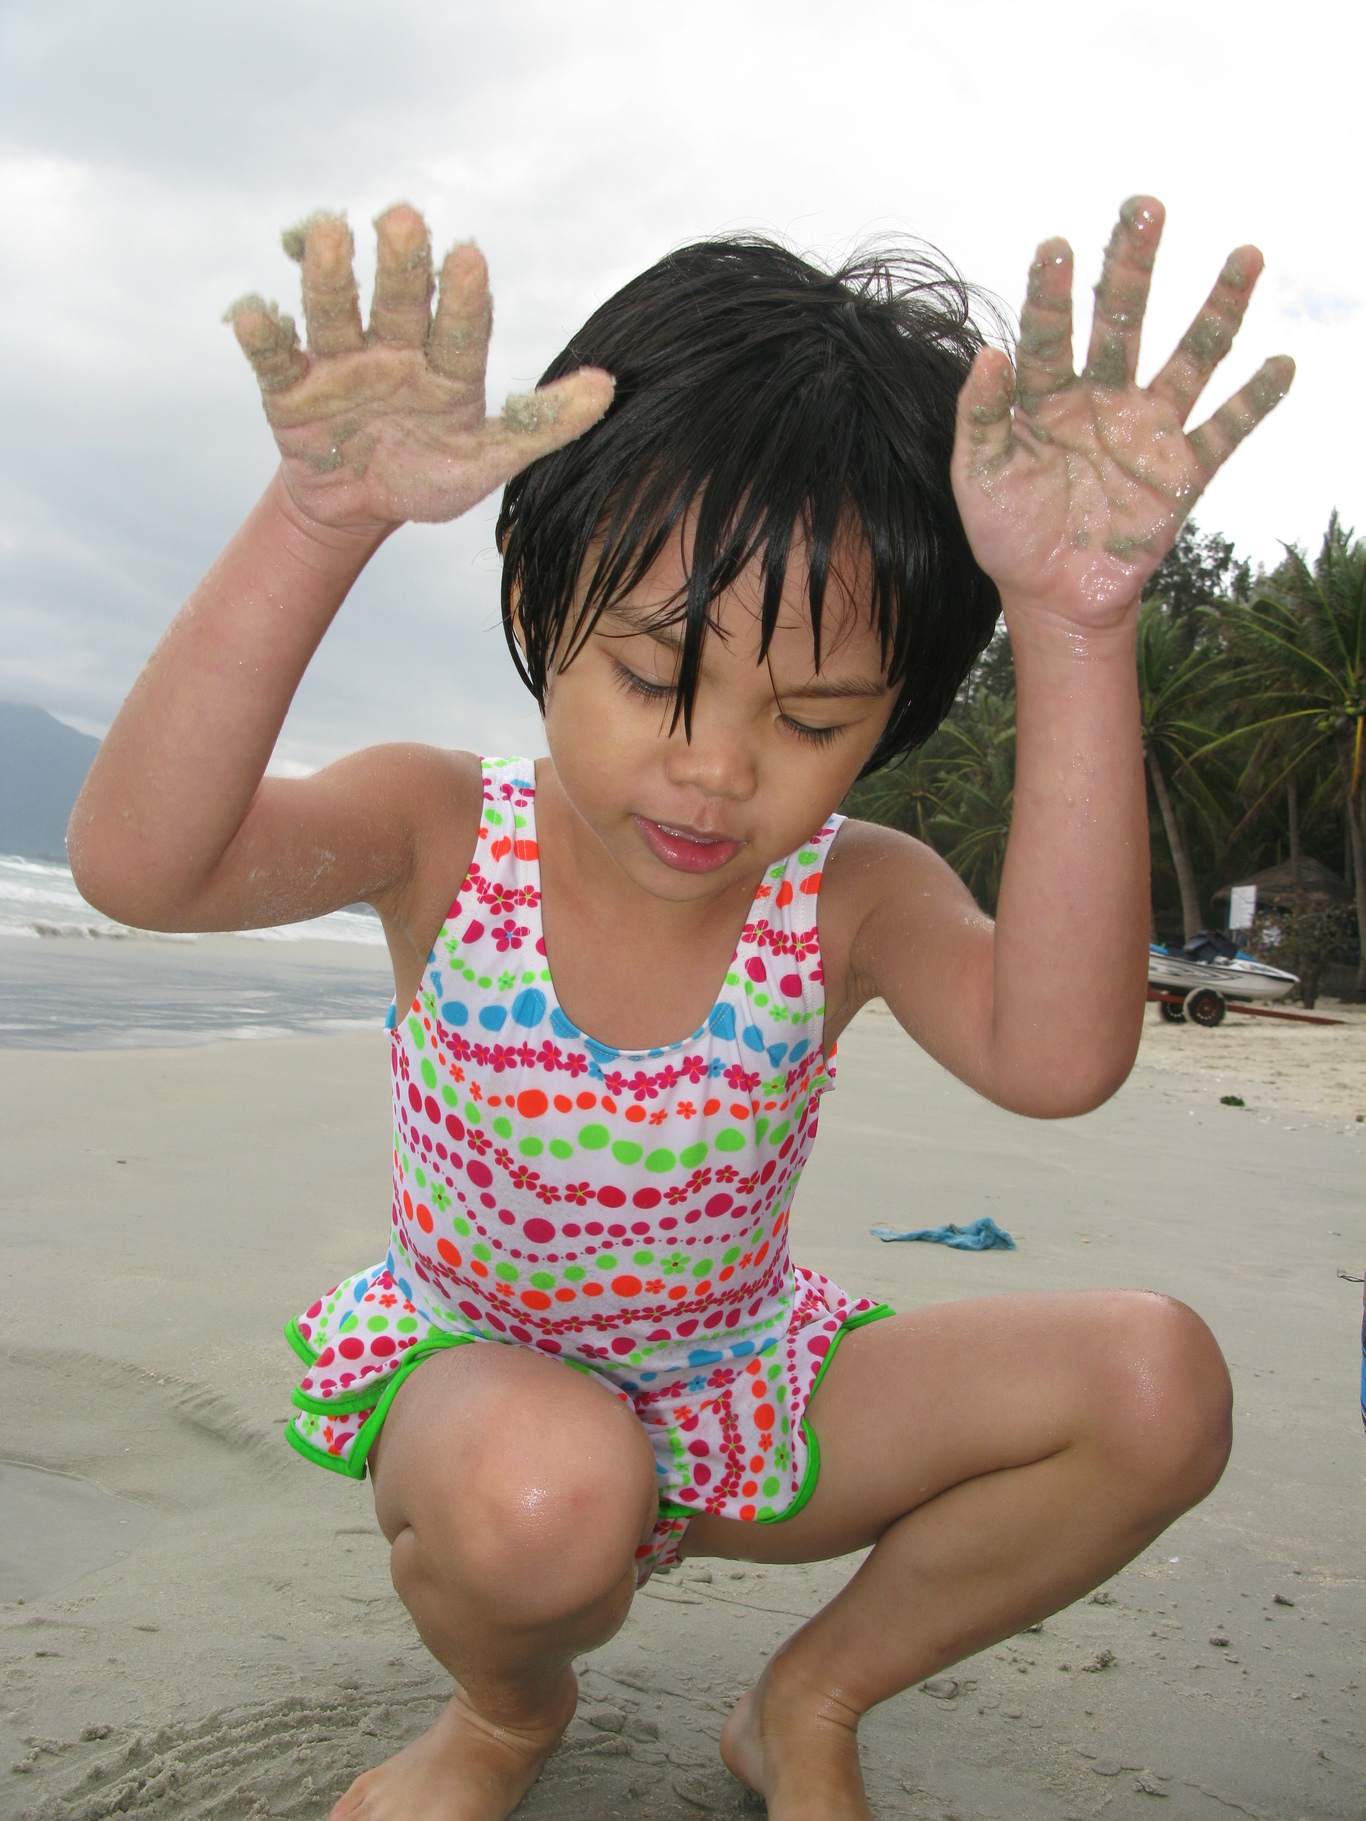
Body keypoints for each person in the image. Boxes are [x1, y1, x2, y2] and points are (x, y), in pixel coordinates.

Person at [69, 196, 1292, 1821]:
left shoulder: (852, 892)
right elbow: (142, 868)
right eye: (656, 678)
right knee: (544, 1492)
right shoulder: (442, 828)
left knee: (1155, 1384)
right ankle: (503, 1714)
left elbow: (1058, 1058)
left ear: (893, 715)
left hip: (745, 1392)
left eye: (811, 718)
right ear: (537, 605)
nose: (715, 768)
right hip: (484, 1410)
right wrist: (319, 518)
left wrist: (1074, 625)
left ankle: (807, 1699)